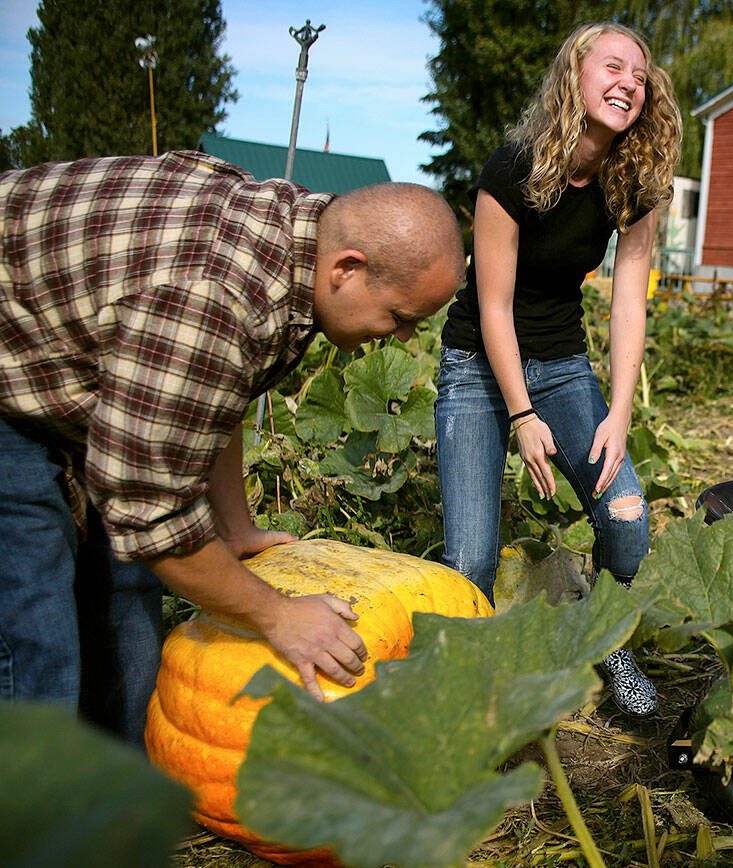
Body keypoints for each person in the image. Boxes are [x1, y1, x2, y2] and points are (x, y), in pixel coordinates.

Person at [0, 150, 465, 745]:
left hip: (67, 356)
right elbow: (150, 518)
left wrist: (233, 527)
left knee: (127, 587)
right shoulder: (215, 301)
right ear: (346, 269)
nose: (402, 336)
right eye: (401, 316)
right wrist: (279, 615)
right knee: (33, 620)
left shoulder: (293, 242)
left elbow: (217, 396)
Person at [435, 22, 681, 716]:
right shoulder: (512, 166)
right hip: (478, 367)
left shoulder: (633, 181)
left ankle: (604, 637)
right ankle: (464, 695)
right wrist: (521, 414)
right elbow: (492, 305)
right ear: (574, 75)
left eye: (640, 76)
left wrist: (622, 412)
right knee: (471, 561)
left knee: (628, 519)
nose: (628, 83)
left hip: (564, 366)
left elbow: (628, 302)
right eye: (613, 67)